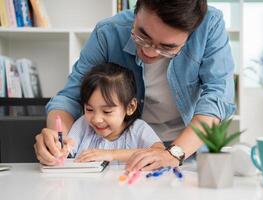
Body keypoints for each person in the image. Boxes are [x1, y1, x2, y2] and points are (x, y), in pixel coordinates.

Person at [34, 0, 236, 171]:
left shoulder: (209, 26)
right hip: (126, 153)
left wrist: (174, 153)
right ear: (136, 11)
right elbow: (70, 97)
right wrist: (56, 139)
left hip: (189, 151)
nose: (150, 52)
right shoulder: (108, 33)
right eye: (142, 36)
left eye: (168, 47)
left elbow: (216, 98)